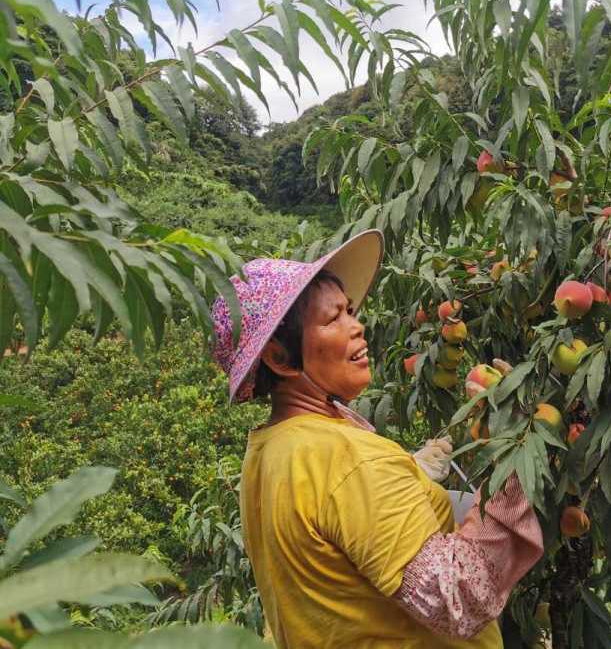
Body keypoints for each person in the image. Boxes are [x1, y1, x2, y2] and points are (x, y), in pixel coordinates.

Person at [210, 229, 543, 648]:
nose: (357, 326)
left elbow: (337, 531)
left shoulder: (271, 450)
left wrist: (411, 472)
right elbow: (456, 596)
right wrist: (511, 456)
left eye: (350, 310)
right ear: (279, 357)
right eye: (333, 319)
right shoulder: (349, 461)